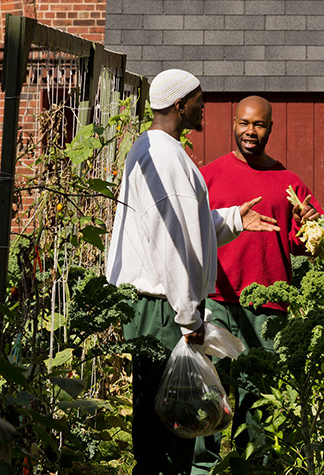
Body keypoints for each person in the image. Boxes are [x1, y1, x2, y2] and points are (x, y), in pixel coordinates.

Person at [105, 70, 280, 474]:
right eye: (199, 100)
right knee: (167, 423)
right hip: (162, 308)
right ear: (180, 105)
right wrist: (188, 318)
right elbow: (173, 245)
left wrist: (234, 219)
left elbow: (186, 227)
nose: (205, 107)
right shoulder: (164, 156)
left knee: (167, 417)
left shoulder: (155, 148)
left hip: (158, 306)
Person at [194, 95, 322, 472]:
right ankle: (202, 470)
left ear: (270, 128)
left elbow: (309, 245)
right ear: (233, 124)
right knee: (209, 404)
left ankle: (256, 469)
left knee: (259, 409)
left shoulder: (289, 184)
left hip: (267, 309)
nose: (250, 131)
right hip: (216, 301)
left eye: (259, 125)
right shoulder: (210, 176)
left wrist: (312, 221)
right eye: (244, 123)